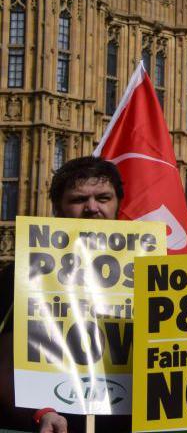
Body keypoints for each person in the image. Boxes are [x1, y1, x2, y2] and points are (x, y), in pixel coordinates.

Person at [1, 156, 127, 433]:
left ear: (119, 204)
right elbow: (6, 358)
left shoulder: (149, 270)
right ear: (58, 210)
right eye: (79, 199)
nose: (92, 208)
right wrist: (41, 412)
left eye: (103, 198)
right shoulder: (23, 271)